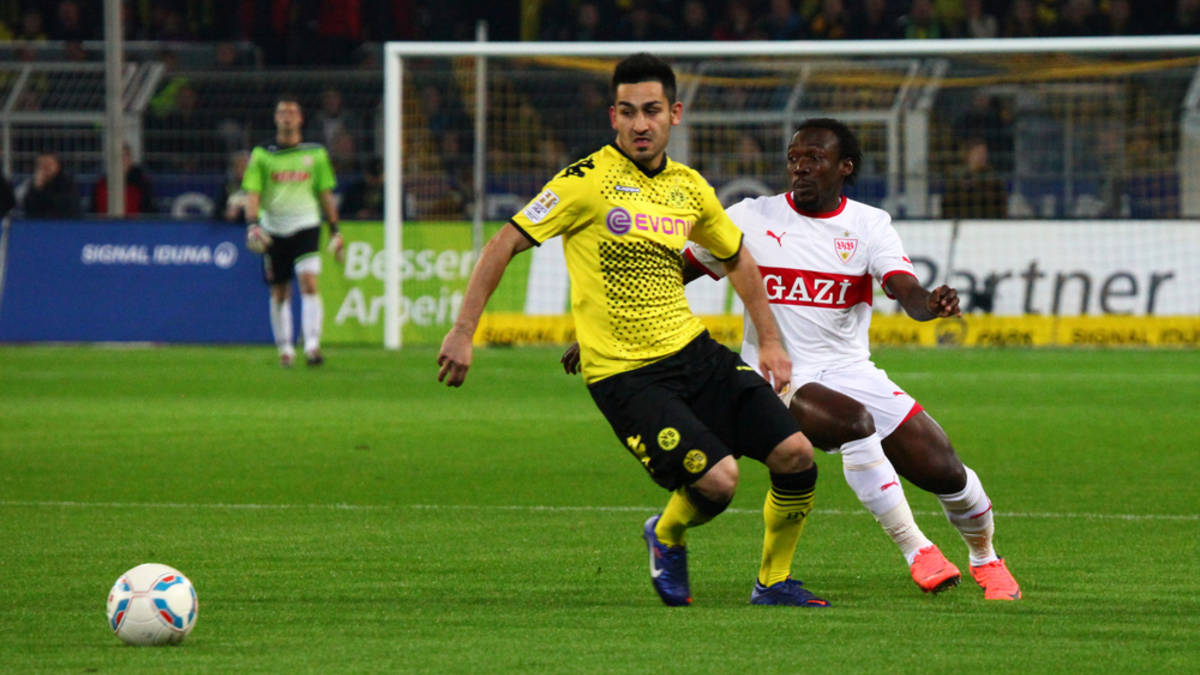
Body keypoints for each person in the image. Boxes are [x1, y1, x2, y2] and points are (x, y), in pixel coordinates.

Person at [437, 53, 828, 608]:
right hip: (626, 374)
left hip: (693, 351)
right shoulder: (584, 181)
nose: (640, 124)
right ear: (613, 117)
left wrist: (769, 341)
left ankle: (773, 582)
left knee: (796, 453)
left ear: (675, 114)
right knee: (719, 482)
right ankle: (666, 533)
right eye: (627, 112)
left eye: (651, 111)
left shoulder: (690, 187)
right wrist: (463, 330)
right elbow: (505, 242)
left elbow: (737, 258)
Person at [676, 119, 1021, 600]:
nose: (800, 167)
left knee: (946, 471)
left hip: (851, 370)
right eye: (794, 158)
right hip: (777, 375)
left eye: (814, 158)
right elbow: (673, 273)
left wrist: (930, 304)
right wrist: (609, 328)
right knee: (855, 424)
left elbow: (905, 290)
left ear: (844, 167)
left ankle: (986, 558)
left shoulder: (868, 224)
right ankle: (918, 550)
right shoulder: (750, 217)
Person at [242, 95, 343, 368]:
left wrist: (335, 229)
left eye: (292, 112)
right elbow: (253, 192)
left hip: (306, 224)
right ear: (276, 118)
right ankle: (285, 348)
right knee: (280, 291)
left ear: (300, 119)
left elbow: (325, 194)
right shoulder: (262, 155)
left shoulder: (315, 154)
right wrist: (252, 224)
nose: (287, 117)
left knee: (309, 283)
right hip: (274, 229)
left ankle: (312, 346)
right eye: (282, 112)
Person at [941, 137, 1007, 219]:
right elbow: (948, 206)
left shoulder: (994, 180)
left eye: (984, 153)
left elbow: (1000, 207)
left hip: (987, 222)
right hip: (963, 222)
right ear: (968, 154)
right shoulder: (956, 179)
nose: (982, 156)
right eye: (978, 153)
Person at [90, 144, 155, 215]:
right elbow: (92, 212)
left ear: (130, 160)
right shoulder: (101, 185)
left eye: (126, 156)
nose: (122, 160)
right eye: (118, 156)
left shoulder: (141, 184)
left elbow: (149, 213)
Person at [19, 152, 81, 218]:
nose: (45, 168)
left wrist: (41, 191)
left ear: (58, 166)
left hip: (64, 222)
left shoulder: (67, 183)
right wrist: (37, 188)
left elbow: (63, 205)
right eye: (41, 165)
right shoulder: (32, 184)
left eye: (49, 164)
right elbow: (28, 208)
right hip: (38, 222)